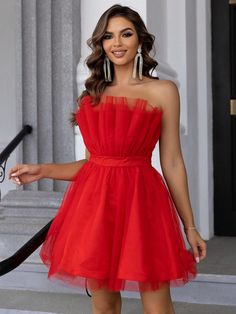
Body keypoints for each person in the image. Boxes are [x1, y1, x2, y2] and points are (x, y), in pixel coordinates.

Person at [8, 4, 207, 314]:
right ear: (100, 44)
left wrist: (190, 226)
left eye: (125, 34)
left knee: (158, 307)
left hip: (143, 205)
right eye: (108, 36)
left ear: (140, 40)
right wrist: (42, 169)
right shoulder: (91, 97)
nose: (116, 43)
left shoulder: (163, 91)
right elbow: (93, 165)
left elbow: (172, 162)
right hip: (97, 208)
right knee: (103, 306)